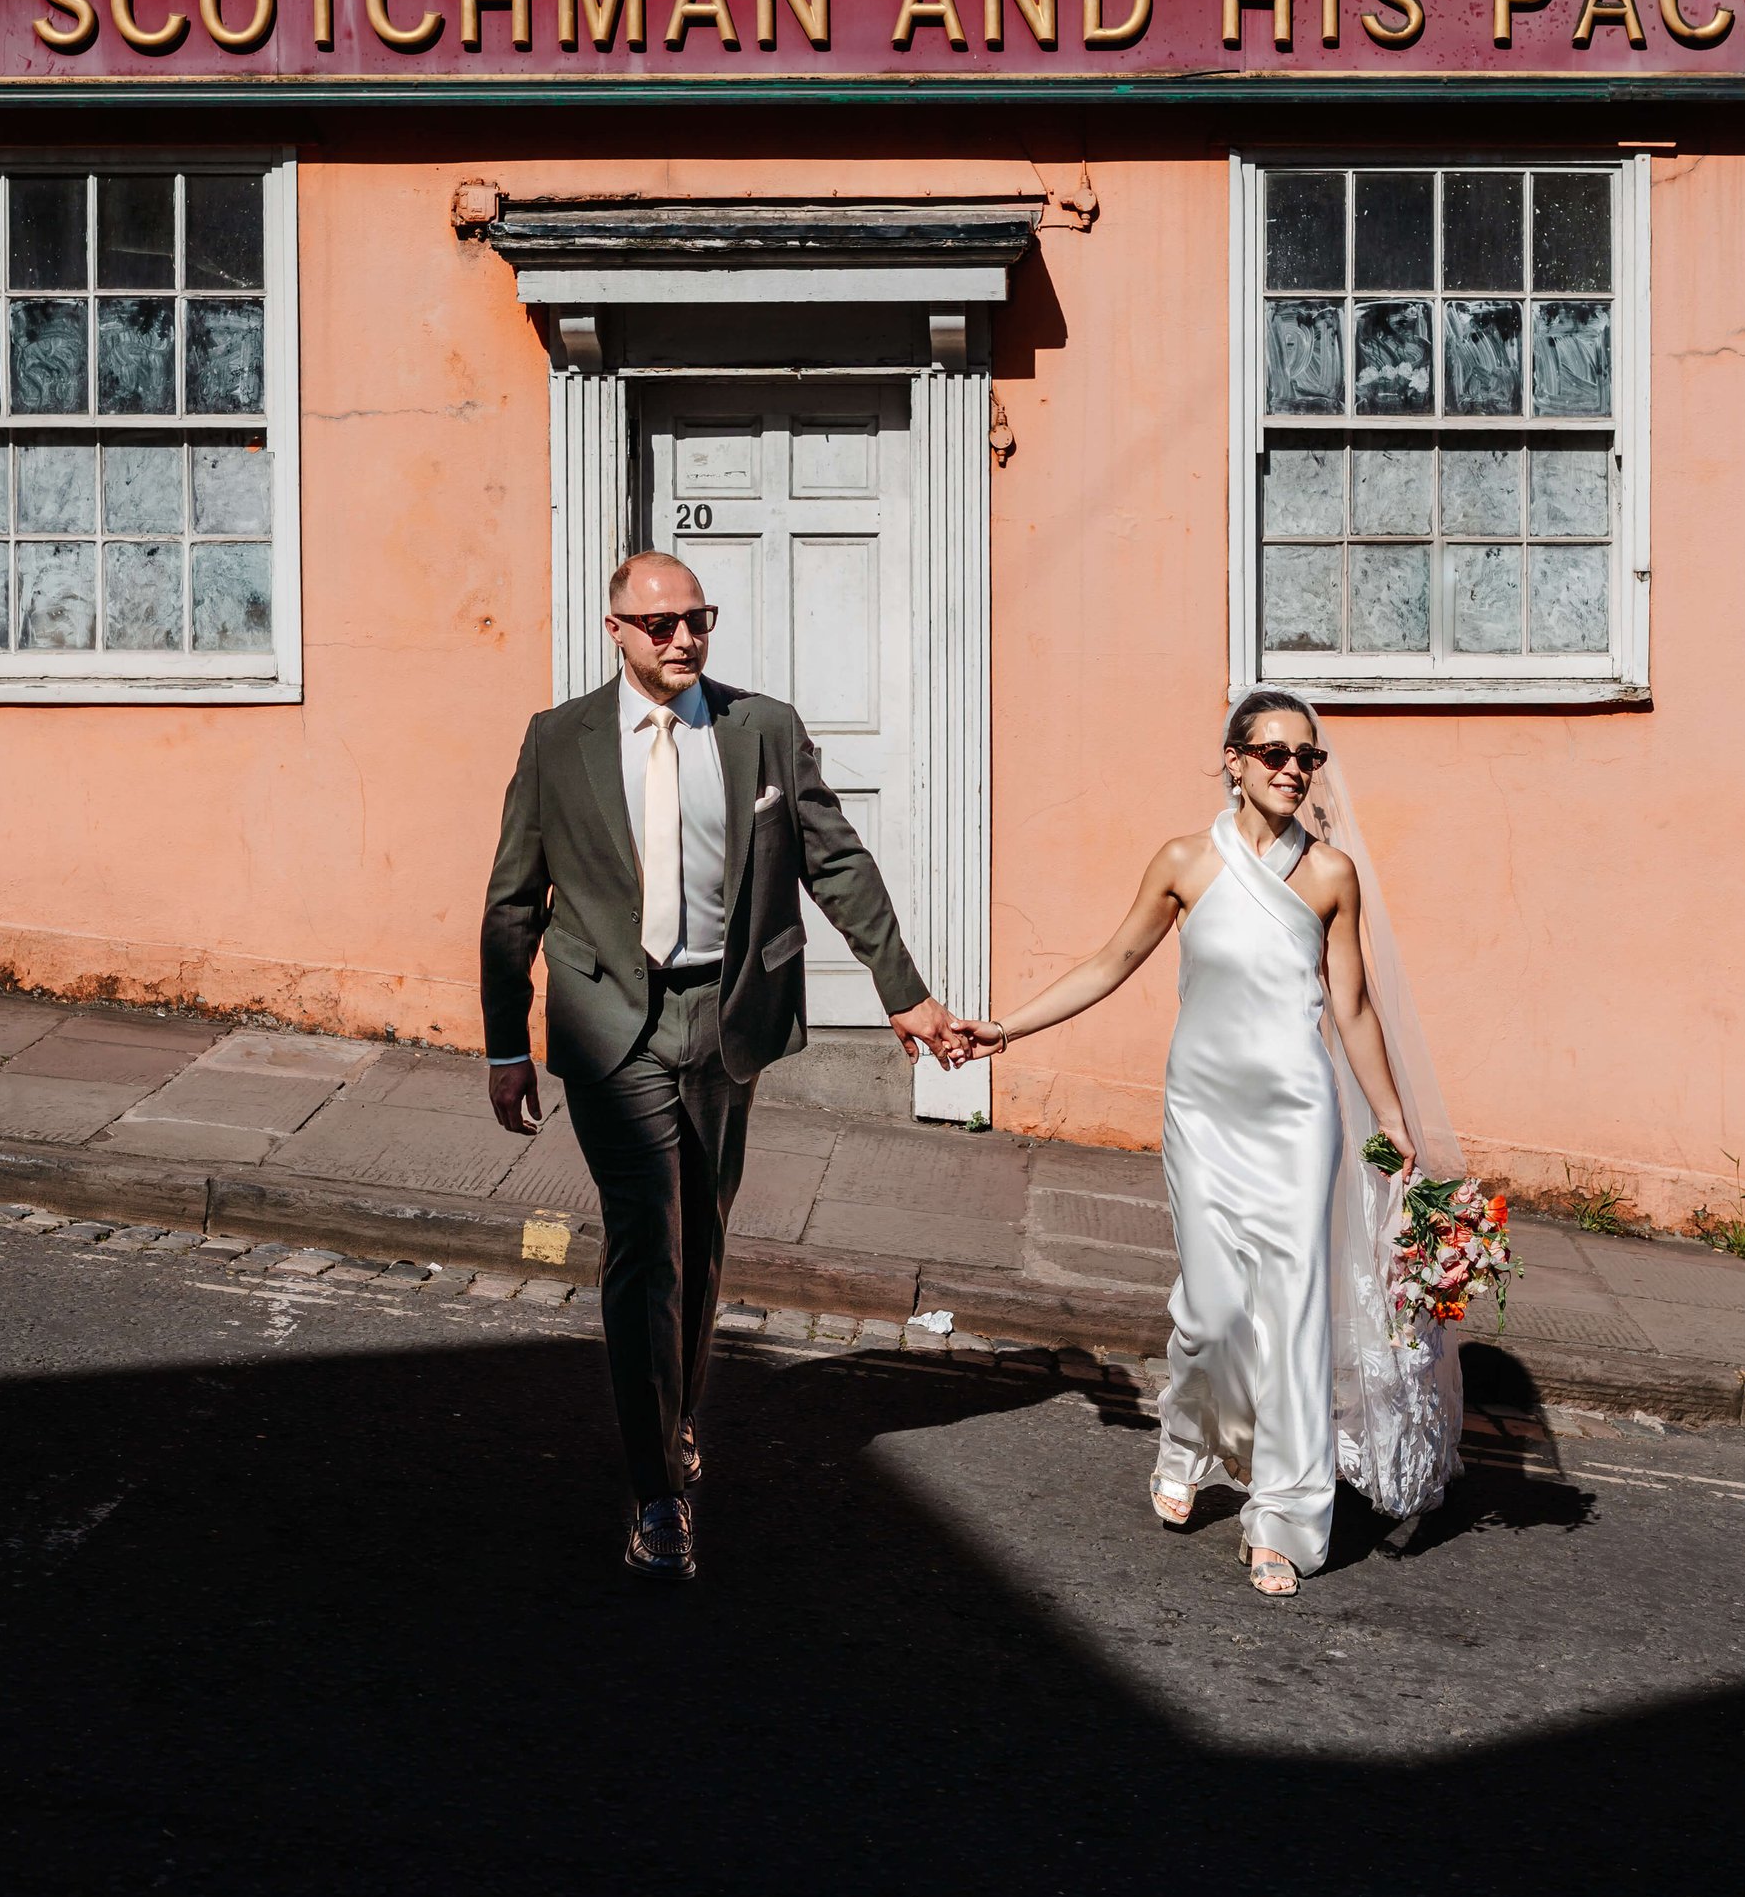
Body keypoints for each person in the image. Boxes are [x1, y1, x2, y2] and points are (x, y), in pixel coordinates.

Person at [481, 548, 972, 1580]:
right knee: (642, 1247)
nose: (682, 638)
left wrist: (906, 993)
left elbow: (837, 861)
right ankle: (655, 1489)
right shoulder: (557, 741)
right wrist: (503, 1042)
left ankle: (674, 1407)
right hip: (609, 1022)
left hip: (721, 1016)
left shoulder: (762, 731)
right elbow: (513, 900)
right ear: (613, 629)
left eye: (696, 618)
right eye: (658, 624)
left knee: (700, 1244)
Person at [959, 694, 1415, 1601]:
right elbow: (1108, 962)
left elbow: (1354, 1009)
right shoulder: (1183, 862)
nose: (1293, 769)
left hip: (1297, 1117)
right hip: (1202, 1114)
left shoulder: (1332, 876)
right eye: (1274, 752)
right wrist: (1004, 1031)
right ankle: (1188, 1438)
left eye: (1308, 758)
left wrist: (1392, 1117)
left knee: (1291, 1318)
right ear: (1233, 761)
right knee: (1210, 1312)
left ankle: (1281, 1517)